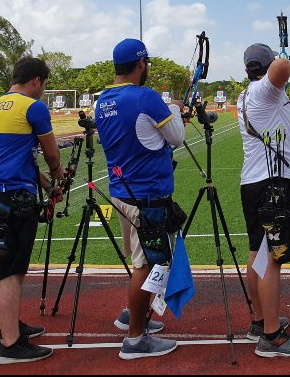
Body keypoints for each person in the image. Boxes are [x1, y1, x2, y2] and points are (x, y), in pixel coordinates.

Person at [95, 38, 185, 359]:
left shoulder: (102, 100)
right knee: (146, 265)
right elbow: (176, 136)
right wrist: (174, 109)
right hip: (147, 195)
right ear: (141, 64)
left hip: (121, 192)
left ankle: (130, 316)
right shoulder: (146, 97)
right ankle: (135, 339)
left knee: (138, 261)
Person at [0, 57, 63, 364]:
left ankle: (4, 329)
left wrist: (44, 184)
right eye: (44, 85)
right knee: (11, 271)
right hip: (12, 201)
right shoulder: (33, 107)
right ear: (37, 81)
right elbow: (51, 153)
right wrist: (56, 176)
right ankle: (12, 347)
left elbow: (19, 157)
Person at [237, 43, 290, 357]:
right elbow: (282, 68)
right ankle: (272, 337)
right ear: (265, 68)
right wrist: (283, 55)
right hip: (271, 185)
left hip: (254, 183)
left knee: (258, 252)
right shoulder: (262, 91)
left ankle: (259, 320)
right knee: (273, 259)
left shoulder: (246, 95)